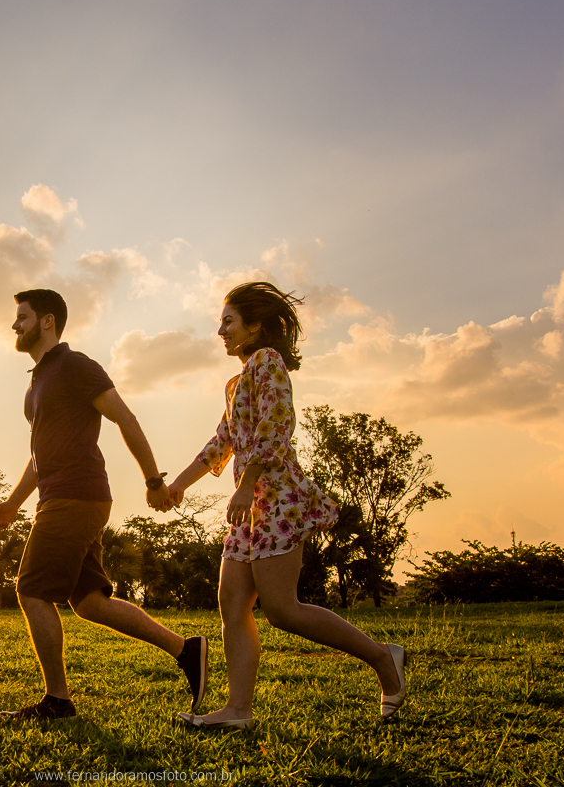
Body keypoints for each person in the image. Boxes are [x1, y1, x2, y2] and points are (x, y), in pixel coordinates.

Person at [168, 281, 408, 730]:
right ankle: (238, 710)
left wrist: (247, 485)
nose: (220, 330)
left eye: (228, 322)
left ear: (254, 326)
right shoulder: (238, 380)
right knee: (232, 602)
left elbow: (277, 426)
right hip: (251, 506)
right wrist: (178, 485)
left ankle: (383, 658)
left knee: (281, 609)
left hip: (275, 498)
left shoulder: (268, 362)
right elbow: (222, 441)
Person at [0, 288, 208, 721]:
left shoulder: (75, 366)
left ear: (47, 321)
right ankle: (186, 650)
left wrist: (152, 479)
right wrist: (13, 503)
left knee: (31, 589)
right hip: (63, 496)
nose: (14, 325)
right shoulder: (36, 384)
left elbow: (124, 416)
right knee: (88, 602)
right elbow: (38, 457)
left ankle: (58, 702)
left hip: (77, 495)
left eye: (22, 317)